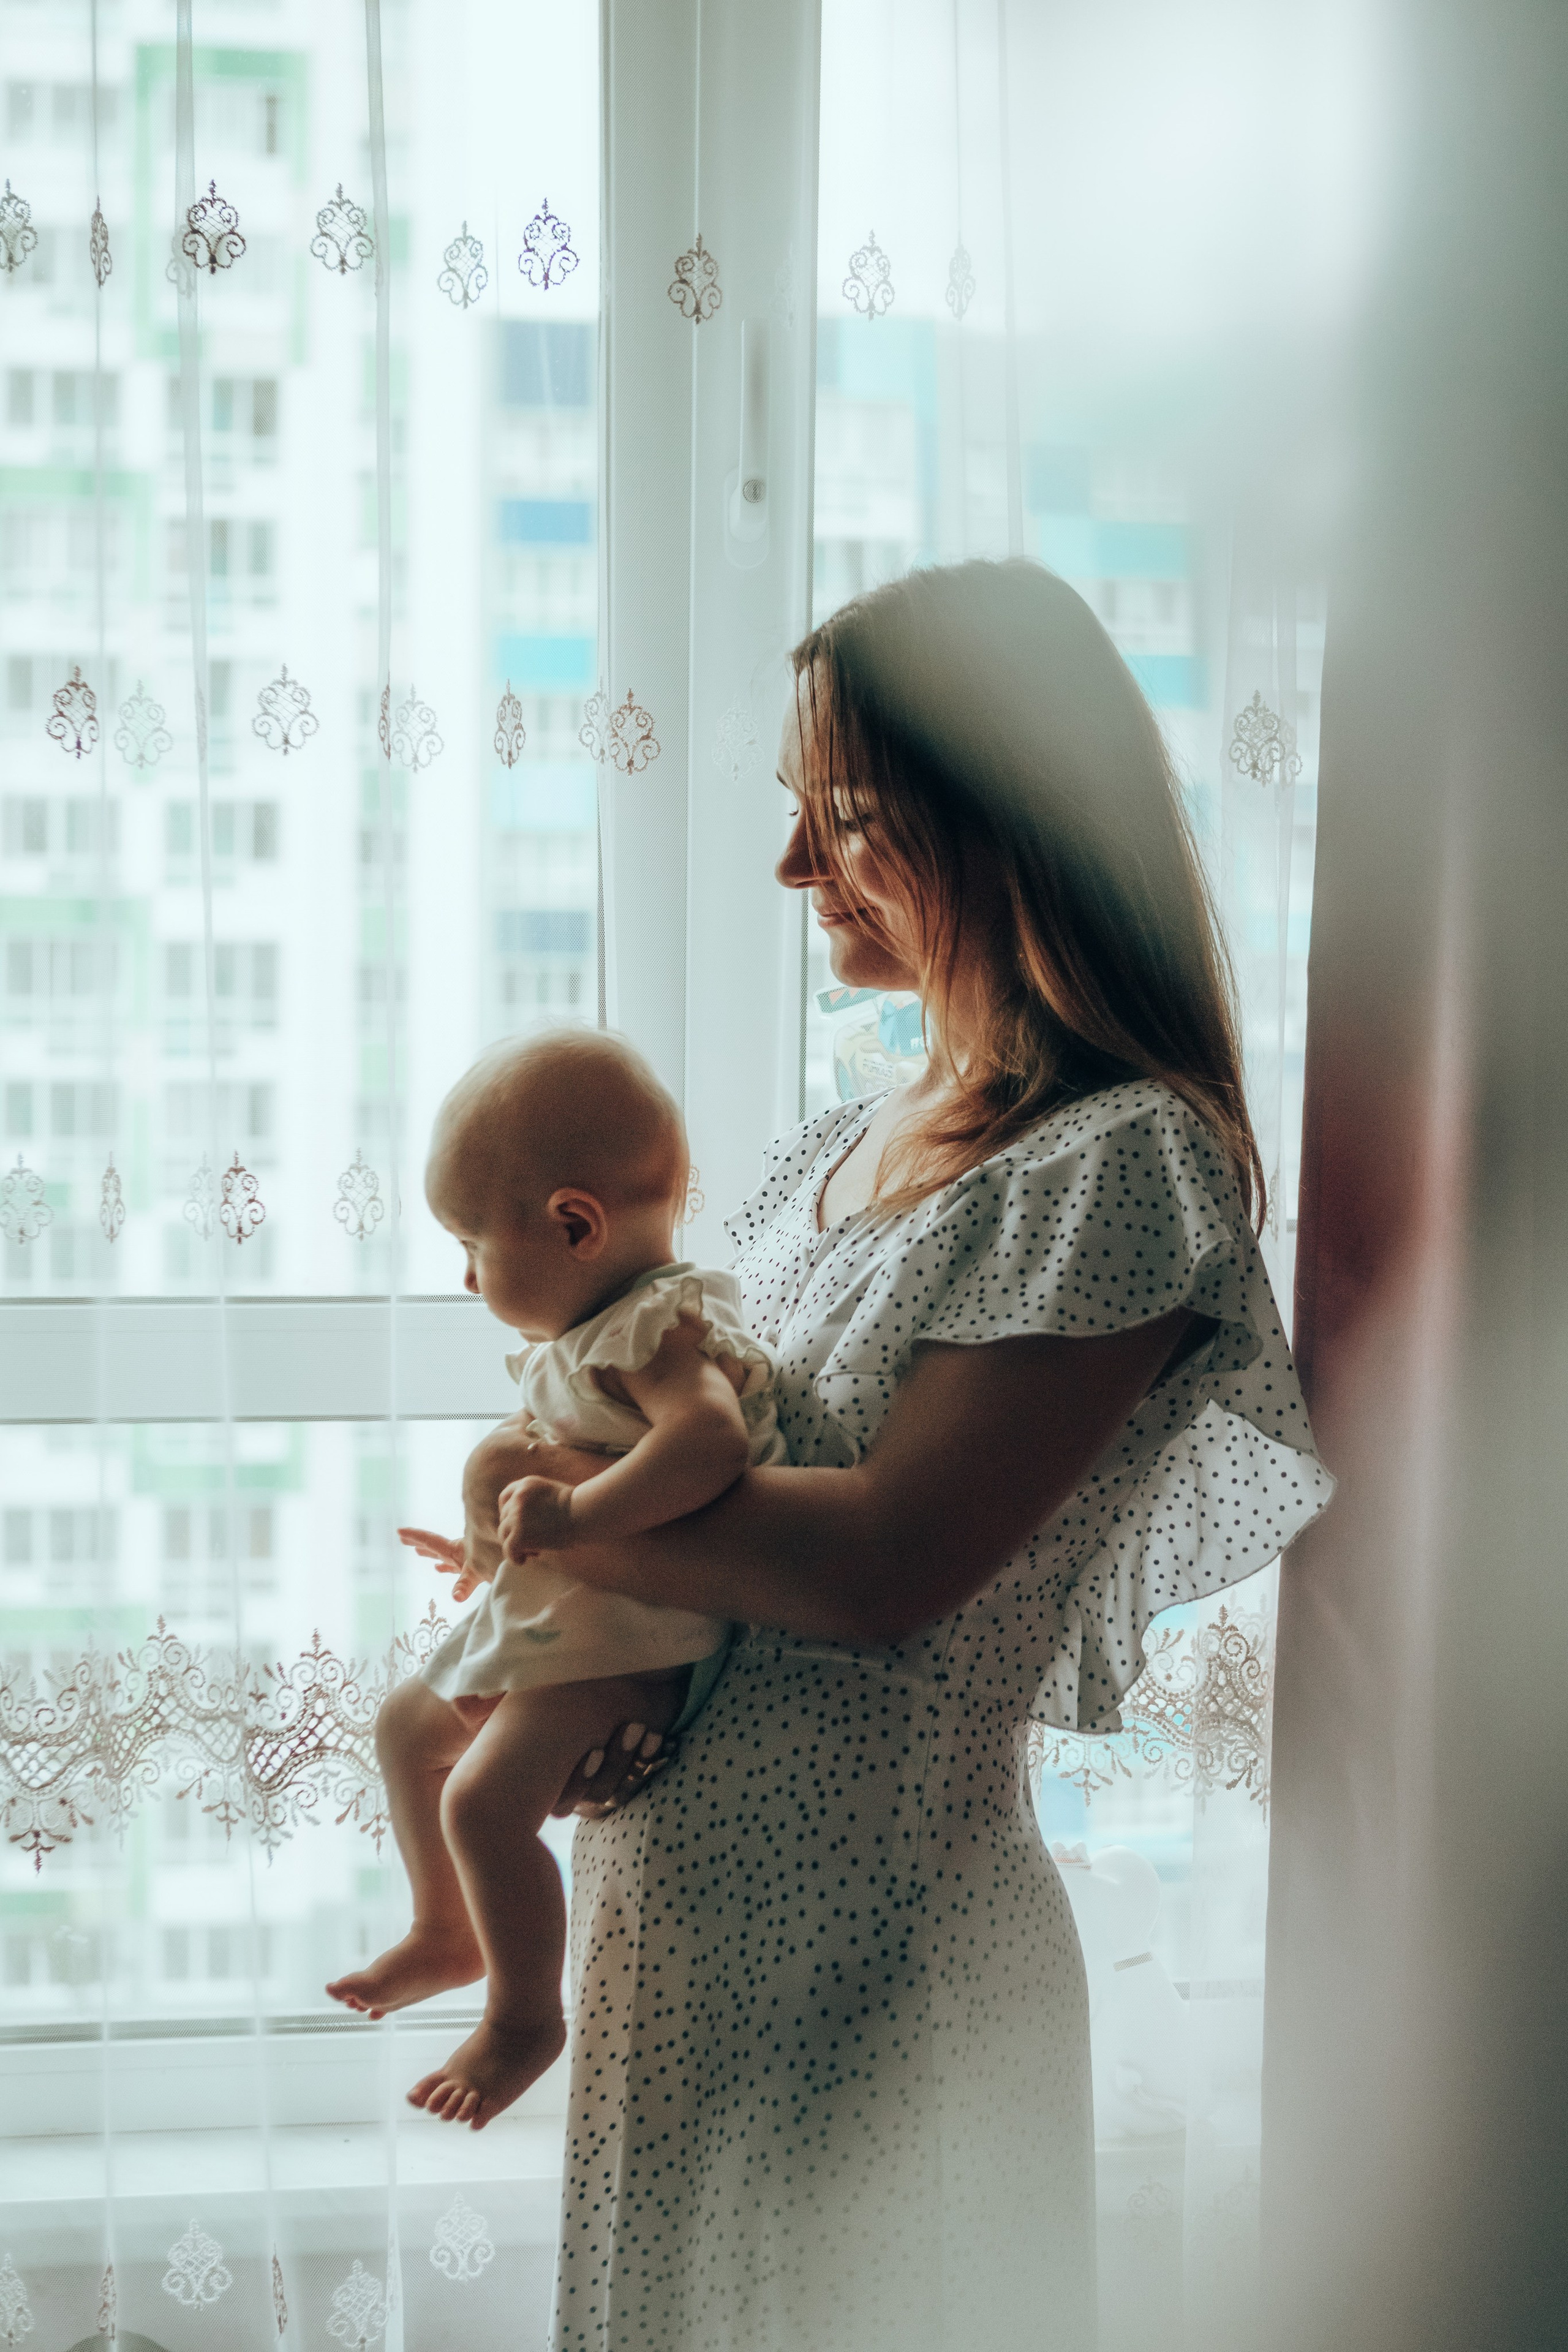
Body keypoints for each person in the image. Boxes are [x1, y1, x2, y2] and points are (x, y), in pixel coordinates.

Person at [476, 559, 1335, 2351]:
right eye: (798, 814)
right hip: (680, 1959)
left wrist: (568, 1542)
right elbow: (707, 1481)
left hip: (882, 1984)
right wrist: (603, 1678)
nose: (796, 869)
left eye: (847, 819)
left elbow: (880, 1566)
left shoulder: (1118, 1168)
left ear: (1009, 824)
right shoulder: (818, 1160)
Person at [325, 1031, 787, 2127]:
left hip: (645, 1634)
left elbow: (708, 1445)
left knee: (486, 1801)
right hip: (582, 1615)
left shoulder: (655, 1326)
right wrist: (488, 1546)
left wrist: (573, 1514)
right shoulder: (592, 1334)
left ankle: (526, 2014)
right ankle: (448, 1932)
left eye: (471, 1244)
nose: (468, 1275)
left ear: (575, 1224)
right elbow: (562, 1464)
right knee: (407, 1727)